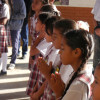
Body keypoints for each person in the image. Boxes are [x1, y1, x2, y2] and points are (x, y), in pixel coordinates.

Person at [36, 19, 78, 100]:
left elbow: (60, 89)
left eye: (55, 36)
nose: (52, 38)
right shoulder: (59, 54)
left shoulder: (68, 62)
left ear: (66, 38)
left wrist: (47, 73)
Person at [48, 29, 94, 100]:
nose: (60, 52)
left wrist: (58, 94)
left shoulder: (77, 87)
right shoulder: (86, 71)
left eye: (63, 49)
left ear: (76, 52)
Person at [8, 0, 26, 70]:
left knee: (15, 44)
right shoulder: (6, 1)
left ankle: (13, 62)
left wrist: (11, 16)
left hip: (16, 26)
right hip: (6, 25)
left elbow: (23, 15)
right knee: (3, 44)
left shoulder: (20, 1)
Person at [0, 0, 10, 75]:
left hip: (0, 29)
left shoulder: (4, 6)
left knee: (3, 50)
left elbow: (4, 21)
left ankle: (3, 69)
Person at [91, 0, 100, 71]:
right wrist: (96, 27)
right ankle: (95, 71)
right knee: (97, 51)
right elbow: (93, 16)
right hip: (98, 27)